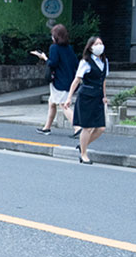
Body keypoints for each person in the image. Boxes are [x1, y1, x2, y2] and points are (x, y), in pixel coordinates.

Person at [63, 36, 109, 165]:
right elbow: (77, 80)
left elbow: (103, 80)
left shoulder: (105, 61)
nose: (99, 46)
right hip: (86, 97)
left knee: (101, 128)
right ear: (90, 47)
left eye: (101, 43)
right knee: (87, 127)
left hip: (98, 97)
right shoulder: (85, 62)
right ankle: (83, 154)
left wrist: (104, 96)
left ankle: (82, 145)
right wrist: (69, 97)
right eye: (96, 44)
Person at [30, 24, 80, 137]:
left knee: (63, 105)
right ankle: (46, 128)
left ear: (56, 36)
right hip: (69, 79)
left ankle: (78, 127)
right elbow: (75, 63)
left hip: (59, 81)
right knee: (52, 103)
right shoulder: (69, 48)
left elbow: (52, 63)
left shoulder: (54, 47)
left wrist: (44, 57)